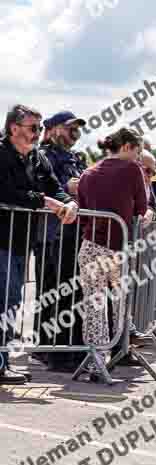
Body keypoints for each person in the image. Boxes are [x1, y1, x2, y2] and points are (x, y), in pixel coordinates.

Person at [0, 104, 77, 383]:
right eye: (33, 128)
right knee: (4, 301)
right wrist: (44, 201)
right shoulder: (1, 154)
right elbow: (7, 192)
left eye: (40, 128)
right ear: (14, 128)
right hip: (2, 240)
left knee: (11, 302)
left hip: (22, 241)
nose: (37, 134)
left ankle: (2, 361)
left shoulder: (37, 158)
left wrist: (69, 204)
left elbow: (54, 186)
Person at [77, 127, 148, 379]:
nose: (138, 157)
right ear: (127, 146)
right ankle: (124, 342)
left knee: (94, 307)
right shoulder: (132, 170)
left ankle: (96, 360)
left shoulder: (88, 173)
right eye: (137, 151)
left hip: (90, 246)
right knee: (120, 301)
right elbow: (142, 206)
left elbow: (83, 211)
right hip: (116, 249)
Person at [34, 111, 88, 371]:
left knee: (70, 291)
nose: (74, 132)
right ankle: (51, 349)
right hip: (51, 234)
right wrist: (70, 188)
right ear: (53, 129)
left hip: (73, 232)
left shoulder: (77, 158)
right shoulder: (44, 155)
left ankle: (61, 348)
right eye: (69, 127)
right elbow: (46, 186)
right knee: (53, 292)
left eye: (77, 128)